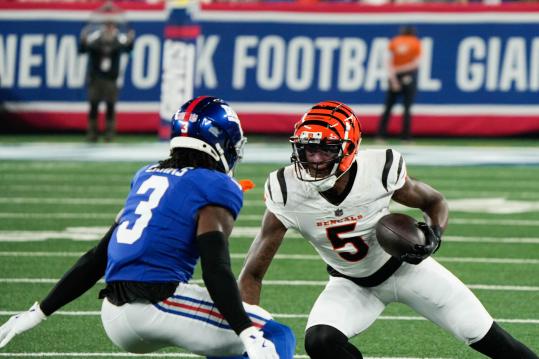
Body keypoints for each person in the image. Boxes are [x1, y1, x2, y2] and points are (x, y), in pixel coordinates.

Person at [0, 96, 295, 359]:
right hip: (155, 304)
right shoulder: (217, 185)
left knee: (230, 337)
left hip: (113, 313)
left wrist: (38, 312)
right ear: (221, 144)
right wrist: (246, 331)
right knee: (273, 336)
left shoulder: (146, 175)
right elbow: (215, 268)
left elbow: (97, 258)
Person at [238, 100, 538, 359]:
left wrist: (433, 236)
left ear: (350, 148)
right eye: (307, 150)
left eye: (326, 150)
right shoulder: (285, 189)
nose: (314, 160)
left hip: (407, 270)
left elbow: (434, 201)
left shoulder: (379, 169)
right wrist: (248, 335)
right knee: (321, 342)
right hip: (351, 283)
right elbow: (252, 273)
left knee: (489, 338)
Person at [79, 15, 135, 142]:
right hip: (96, 78)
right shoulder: (96, 40)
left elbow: (129, 50)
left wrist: (131, 40)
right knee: (93, 106)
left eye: (112, 27)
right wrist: (83, 39)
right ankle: (92, 134)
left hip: (111, 79)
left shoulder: (118, 41)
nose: (109, 29)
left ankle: (109, 134)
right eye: (107, 26)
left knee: (110, 106)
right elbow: (83, 49)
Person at [377, 25, 421, 142]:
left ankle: (381, 135)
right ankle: (405, 137)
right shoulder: (415, 42)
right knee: (407, 108)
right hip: (408, 75)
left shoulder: (395, 41)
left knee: (388, 107)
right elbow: (415, 64)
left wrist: (393, 78)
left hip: (394, 75)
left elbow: (388, 61)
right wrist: (400, 71)